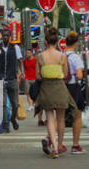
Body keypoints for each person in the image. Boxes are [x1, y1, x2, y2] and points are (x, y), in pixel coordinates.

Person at [35, 28, 78, 158]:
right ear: (57, 41)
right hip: (60, 88)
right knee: (61, 119)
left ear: (46, 41)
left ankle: (53, 147)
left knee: (50, 119)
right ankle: (59, 146)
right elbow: (65, 74)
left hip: (46, 89)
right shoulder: (62, 56)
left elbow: (38, 76)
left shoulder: (40, 57)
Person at [0, 33, 23, 132]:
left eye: (7, 36)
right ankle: (6, 126)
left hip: (12, 79)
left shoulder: (15, 48)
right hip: (1, 79)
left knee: (15, 104)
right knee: (3, 104)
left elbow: (20, 61)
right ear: (2, 37)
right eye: (4, 36)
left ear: (9, 37)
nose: (5, 37)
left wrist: (21, 72)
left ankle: (13, 119)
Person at [64, 31, 85, 153]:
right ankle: (75, 145)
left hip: (61, 87)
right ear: (76, 43)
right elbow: (79, 75)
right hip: (73, 88)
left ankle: (49, 138)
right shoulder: (75, 57)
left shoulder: (61, 55)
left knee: (60, 116)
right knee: (77, 116)